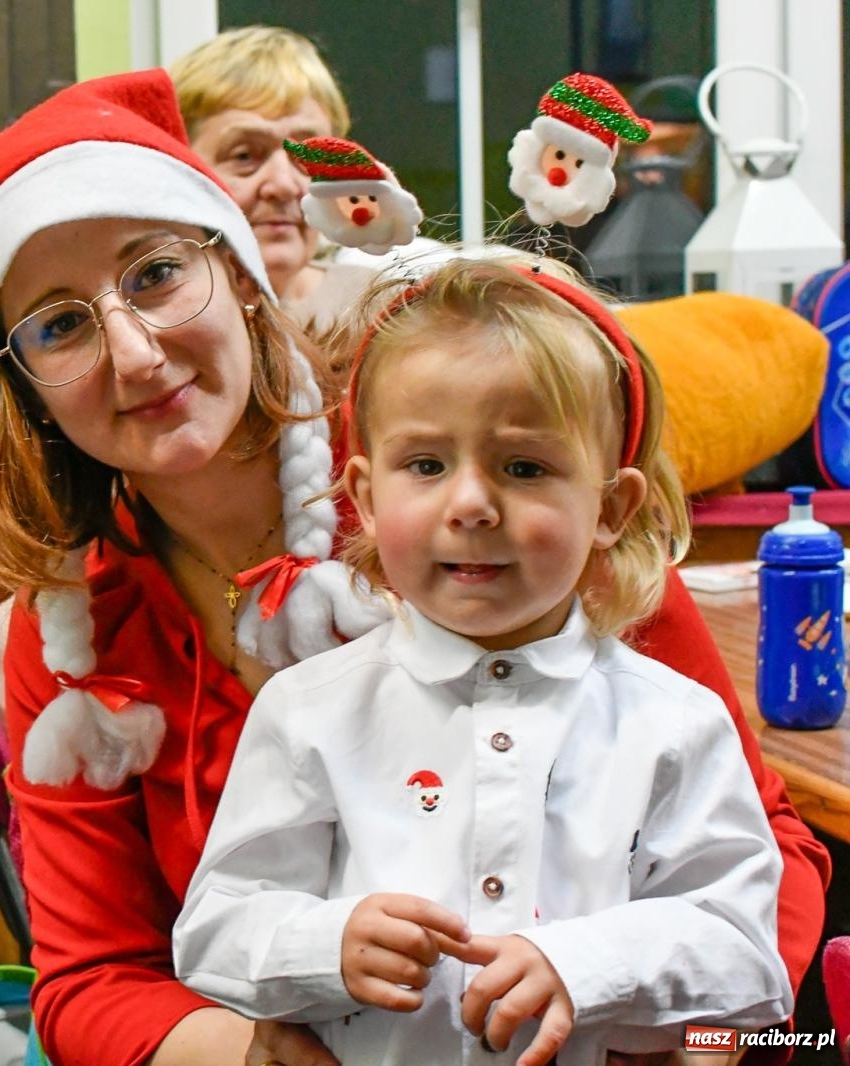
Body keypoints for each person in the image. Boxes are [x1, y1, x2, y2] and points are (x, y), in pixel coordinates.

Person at [0, 69, 827, 1066]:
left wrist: (691, 1035)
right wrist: (257, 1052)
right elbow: (89, 980)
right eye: (59, 325)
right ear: (23, 388)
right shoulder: (76, 637)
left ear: (241, 273)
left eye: (156, 272)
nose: (132, 352)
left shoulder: (470, 496)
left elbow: (764, 866)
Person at [173, 258, 791, 1063]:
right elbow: (217, 929)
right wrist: (326, 944)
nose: (469, 504)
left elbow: (745, 954)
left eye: (524, 467)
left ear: (609, 509)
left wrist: (588, 966)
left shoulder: (673, 722)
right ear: (364, 494)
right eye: (426, 465)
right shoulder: (307, 710)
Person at [0, 26, 373, 705]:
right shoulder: (64, 382)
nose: (284, 184)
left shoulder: (387, 348)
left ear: (231, 272)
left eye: (308, 153)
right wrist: (72, 675)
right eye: (244, 155)